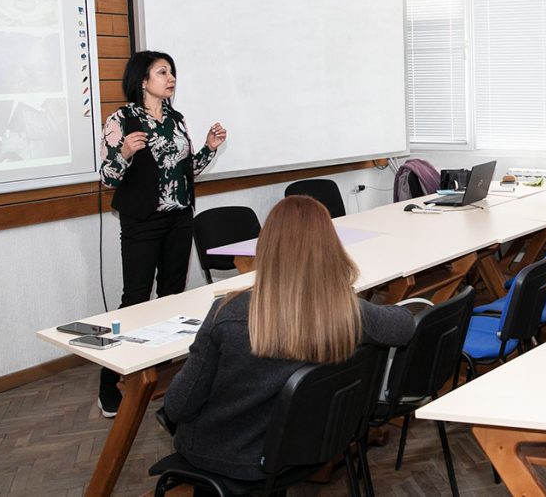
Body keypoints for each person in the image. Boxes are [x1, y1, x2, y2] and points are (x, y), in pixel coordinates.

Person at [163, 196, 415, 481]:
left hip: (228, 456)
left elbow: (177, 406)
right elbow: (404, 326)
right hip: (308, 448)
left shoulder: (228, 313)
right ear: (331, 248)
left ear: (265, 247)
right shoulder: (347, 311)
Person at [97, 50, 227, 417]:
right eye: (162, 72)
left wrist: (209, 148)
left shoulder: (175, 119)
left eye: (172, 72)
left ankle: (163, 372)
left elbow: (185, 170)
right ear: (142, 80)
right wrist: (124, 152)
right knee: (135, 299)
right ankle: (109, 382)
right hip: (142, 221)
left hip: (179, 218)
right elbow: (107, 178)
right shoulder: (121, 119)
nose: (171, 78)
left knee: (172, 296)